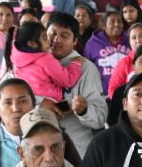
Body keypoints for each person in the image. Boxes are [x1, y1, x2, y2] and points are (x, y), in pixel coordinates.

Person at [39, 11, 108, 155]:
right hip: (38, 147)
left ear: (75, 41)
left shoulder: (86, 69)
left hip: (74, 149)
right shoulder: (32, 61)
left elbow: (100, 118)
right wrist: (39, 104)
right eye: (52, 33)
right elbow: (3, 93)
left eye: (64, 36)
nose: (56, 39)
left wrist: (84, 110)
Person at [84, 10, 130, 94]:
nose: (116, 24)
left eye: (119, 21)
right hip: (102, 93)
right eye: (112, 22)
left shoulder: (130, 40)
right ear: (104, 26)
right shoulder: (92, 44)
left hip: (127, 92)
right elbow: (87, 68)